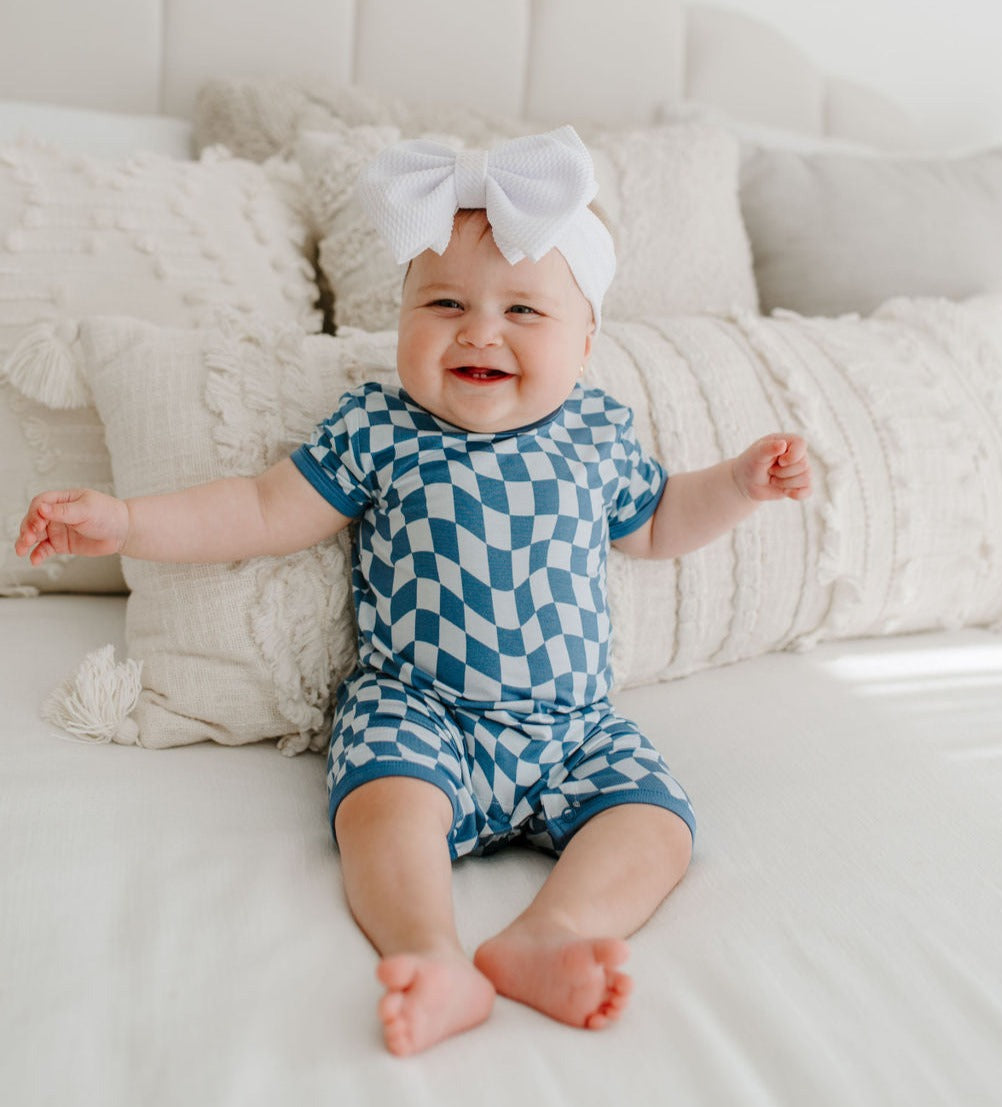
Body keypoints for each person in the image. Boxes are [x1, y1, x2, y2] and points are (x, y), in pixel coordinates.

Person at [15, 126, 812, 1056]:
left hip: (573, 725)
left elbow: (659, 522)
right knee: (381, 809)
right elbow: (264, 507)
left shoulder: (596, 435)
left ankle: (547, 936)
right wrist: (128, 521)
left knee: (654, 826)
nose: (479, 329)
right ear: (399, 320)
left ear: (585, 340)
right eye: (443, 302)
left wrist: (739, 485)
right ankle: (430, 952)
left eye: (524, 310)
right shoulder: (381, 428)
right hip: (419, 708)